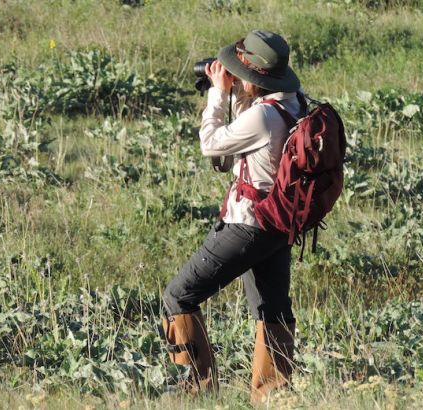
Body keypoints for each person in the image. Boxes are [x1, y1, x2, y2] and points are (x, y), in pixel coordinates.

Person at [162, 30, 304, 404]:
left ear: (253, 77)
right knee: (271, 307)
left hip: (249, 224)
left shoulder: (261, 116)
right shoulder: (296, 103)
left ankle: (198, 392)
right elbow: (236, 156)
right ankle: (273, 395)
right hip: (279, 225)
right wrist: (238, 95)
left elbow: (212, 145)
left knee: (179, 295)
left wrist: (217, 95)